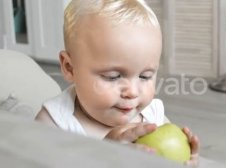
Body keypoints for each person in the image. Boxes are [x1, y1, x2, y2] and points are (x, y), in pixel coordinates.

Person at [35, 0, 199, 166]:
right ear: (70, 68)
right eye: (113, 76)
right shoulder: (54, 123)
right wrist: (103, 155)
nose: (132, 92)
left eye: (145, 76)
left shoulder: (152, 115)